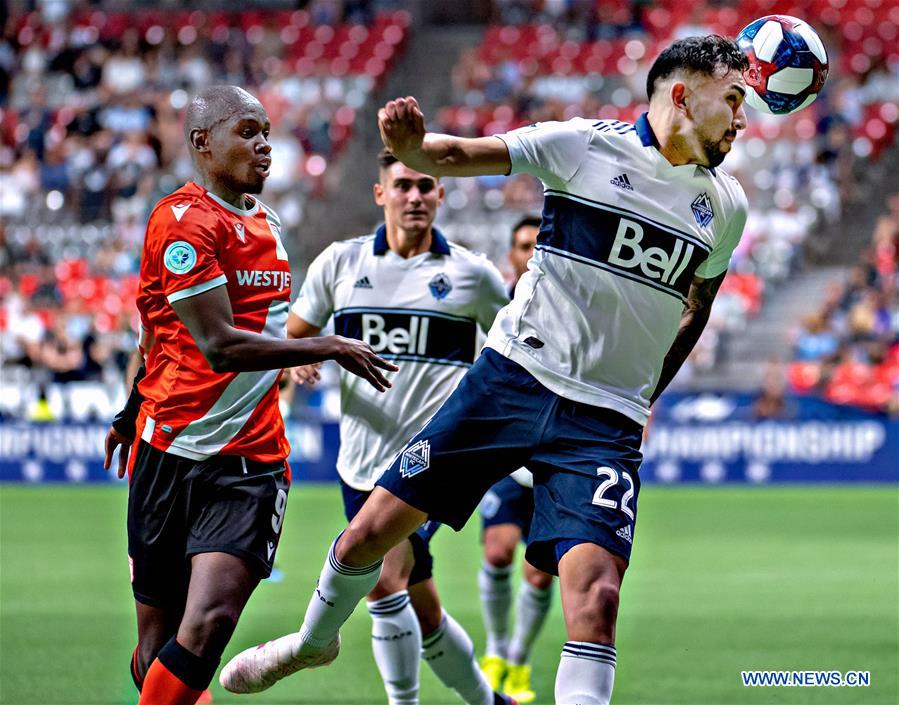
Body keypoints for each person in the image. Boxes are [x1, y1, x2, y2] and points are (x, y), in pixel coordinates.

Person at [220, 35, 750, 705]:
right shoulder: (582, 145)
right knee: (368, 534)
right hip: (510, 380)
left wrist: (646, 393)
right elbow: (456, 155)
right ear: (681, 95)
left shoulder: (725, 206)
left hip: (604, 419)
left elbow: (695, 307)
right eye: (731, 100)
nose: (739, 118)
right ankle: (310, 642)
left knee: (597, 595)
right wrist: (411, 146)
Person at [102, 85, 395, 705]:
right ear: (202, 142)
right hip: (168, 453)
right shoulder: (180, 224)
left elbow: (258, 331)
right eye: (248, 131)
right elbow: (212, 343)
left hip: (250, 462)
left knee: (208, 625)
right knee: (156, 652)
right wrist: (328, 348)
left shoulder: (267, 221)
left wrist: (293, 360)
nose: (265, 144)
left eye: (266, 131)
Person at [221, 148, 514, 705]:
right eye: (402, 186)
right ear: (380, 193)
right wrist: (300, 355)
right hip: (360, 463)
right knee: (423, 612)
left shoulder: (471, 276)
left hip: (434, 458)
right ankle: (488, 702)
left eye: (426, 186)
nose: (415, 197)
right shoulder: (341, 264)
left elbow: (517, 347)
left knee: (383, 581)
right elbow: (295, 334)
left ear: (441, 195)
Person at [477, 216, 554, 704]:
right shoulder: (494, 307)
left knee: (540, 572)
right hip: (507, 460)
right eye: (522, 245)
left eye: (537, 245)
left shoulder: (570, 306)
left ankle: (520, 661)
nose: (529, 253)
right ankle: (495, 649)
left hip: (553, 462)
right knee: (498, 552)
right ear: (511, 254)